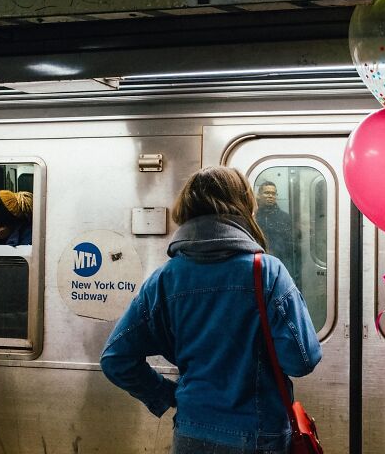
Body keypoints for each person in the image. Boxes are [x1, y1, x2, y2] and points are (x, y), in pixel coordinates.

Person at [100, 166, 322, 454]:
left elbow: (116, 359)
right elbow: (301, 360)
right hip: (257, 435)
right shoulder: (266, 272)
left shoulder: (164, 279)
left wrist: (170, 394)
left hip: (191, 432)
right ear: (242, 207)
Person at [255, 181, 295, 276]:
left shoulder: (285, 218)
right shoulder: (254, 217)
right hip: (259, 261)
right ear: (259, 195)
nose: (270, 196)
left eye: (273, 194)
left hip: (281, 261)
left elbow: (290, 245)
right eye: (266, 193)